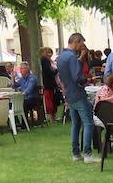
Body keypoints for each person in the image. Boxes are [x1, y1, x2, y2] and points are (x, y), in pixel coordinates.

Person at [57, 33, 96, 163]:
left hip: (68, 93)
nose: (81, 47)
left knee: (75, 124)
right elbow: (77, 77)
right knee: (88, 123)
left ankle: (76, 153)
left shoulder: (61, 56)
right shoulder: (72, 57)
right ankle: (88, 154)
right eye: (80, 44)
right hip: (77, 93)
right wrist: (88, 79)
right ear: (76, 41)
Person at [39, 46, 59, 120]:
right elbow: (49, 72)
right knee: (49, 100)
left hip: (52, 83)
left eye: (50, 52)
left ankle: (53, 116)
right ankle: (51, 117)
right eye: (47, 52)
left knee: (53, 99)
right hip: (49, 83)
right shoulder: (45, 60)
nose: (49, 54)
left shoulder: (50, 61)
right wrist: (57, 70)